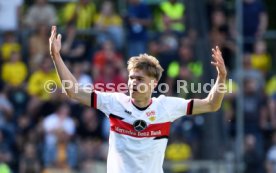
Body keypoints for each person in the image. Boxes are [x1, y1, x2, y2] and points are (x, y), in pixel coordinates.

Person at [49, 26, 227, 173]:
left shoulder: (166, 106)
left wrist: (221, 77)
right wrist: (56, 57)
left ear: (154, 84)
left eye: (140, 79)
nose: (133, 82)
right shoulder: (115, 102)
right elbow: (74, 92)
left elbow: (212, 104)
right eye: (131, 78)